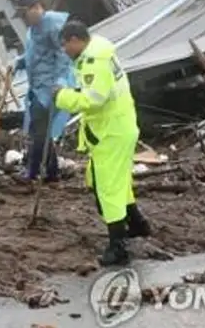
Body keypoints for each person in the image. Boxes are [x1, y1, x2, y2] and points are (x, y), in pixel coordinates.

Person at [53, 20, 151, 266]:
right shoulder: (97, 51)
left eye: (65, 45)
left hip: (111, 132)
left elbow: (94, 99)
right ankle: (138, 224)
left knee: (106, 187)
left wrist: (61, 96)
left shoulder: (94, 62)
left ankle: (117, 246)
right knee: (114, 181)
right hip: (116, 127)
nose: (65, 50)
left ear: (76, 40)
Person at [10, 0, 75, 183]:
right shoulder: (33, 29)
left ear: (36, 8)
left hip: (50, 87)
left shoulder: (53, 25)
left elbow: (64, 55)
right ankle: (52, 172)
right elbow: (35, 53)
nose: (24, 19)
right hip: (37, 85)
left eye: (25, 14)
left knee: (38, 130)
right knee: (40, 130)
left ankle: (32, 172)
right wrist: (19, 62)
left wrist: (61, 81)